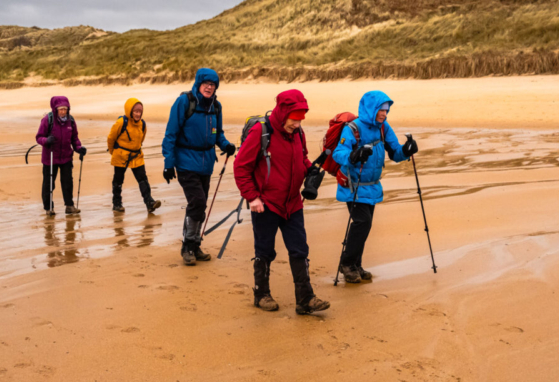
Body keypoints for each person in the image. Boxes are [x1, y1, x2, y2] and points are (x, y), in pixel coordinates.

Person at [233, 89, 330, 315]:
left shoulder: (298, 133)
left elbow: (302, 157)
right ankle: (261, 295)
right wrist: (252, 197)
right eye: (294, 119)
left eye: (300, 120)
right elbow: (240, 167)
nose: (296, 124)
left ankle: (305, 300)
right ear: (283, 113)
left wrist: (310, 170)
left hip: (293, 202)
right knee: (265, 250)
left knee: (299, 250)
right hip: (266, 203)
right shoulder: (261, 131)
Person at [332, 90, 418, 283]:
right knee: (362, 223)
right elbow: (339, 153)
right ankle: (346, 264)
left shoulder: (383, 127)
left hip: (372, 186)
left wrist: (406, 150)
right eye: (381, 110)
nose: (384, 114)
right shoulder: (353, 128)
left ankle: (355, 265)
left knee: (365, 225)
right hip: (353, 186)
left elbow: (395, 152)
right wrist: (353, 155)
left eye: (386, 110)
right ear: (372, 108)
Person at [161, 68, 236, 265]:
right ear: (198, 84)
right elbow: (170, 134)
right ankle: (187, 247)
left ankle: (194, 245)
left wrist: (226, 145)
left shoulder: (216, 107)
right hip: (185, 162)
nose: (209, 87)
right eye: (206, 84)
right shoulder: (184, 102)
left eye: (213, 85)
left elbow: (217, 134)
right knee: (198, 202)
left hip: (206, 163)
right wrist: (168, 164)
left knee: (199, 204)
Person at [107, 98, 161, 213]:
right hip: (120, 155)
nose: (138, 114)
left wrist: (135, 148)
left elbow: (141, 139)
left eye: (139, 112)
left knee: (143, 179)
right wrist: (113, 152)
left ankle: (149, 203)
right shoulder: (121, 123)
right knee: (118, 180)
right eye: (135, 111)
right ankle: (117, 204)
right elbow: (111, 138)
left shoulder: (143, 124)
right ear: (130, 111)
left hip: (136, 155)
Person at [35, 96, 87, 215]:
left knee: (68, 182)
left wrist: (79, 148)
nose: (63, 112)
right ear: (55, 109)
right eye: (61, 109)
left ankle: (69, 206)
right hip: (50, 157)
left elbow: (74, 139)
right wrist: (47, 140)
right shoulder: (48, 120)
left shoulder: (71, 121)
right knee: (49, 184)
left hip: (66, 157)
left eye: (65, 109)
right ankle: (49, 208)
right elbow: (39, 137)